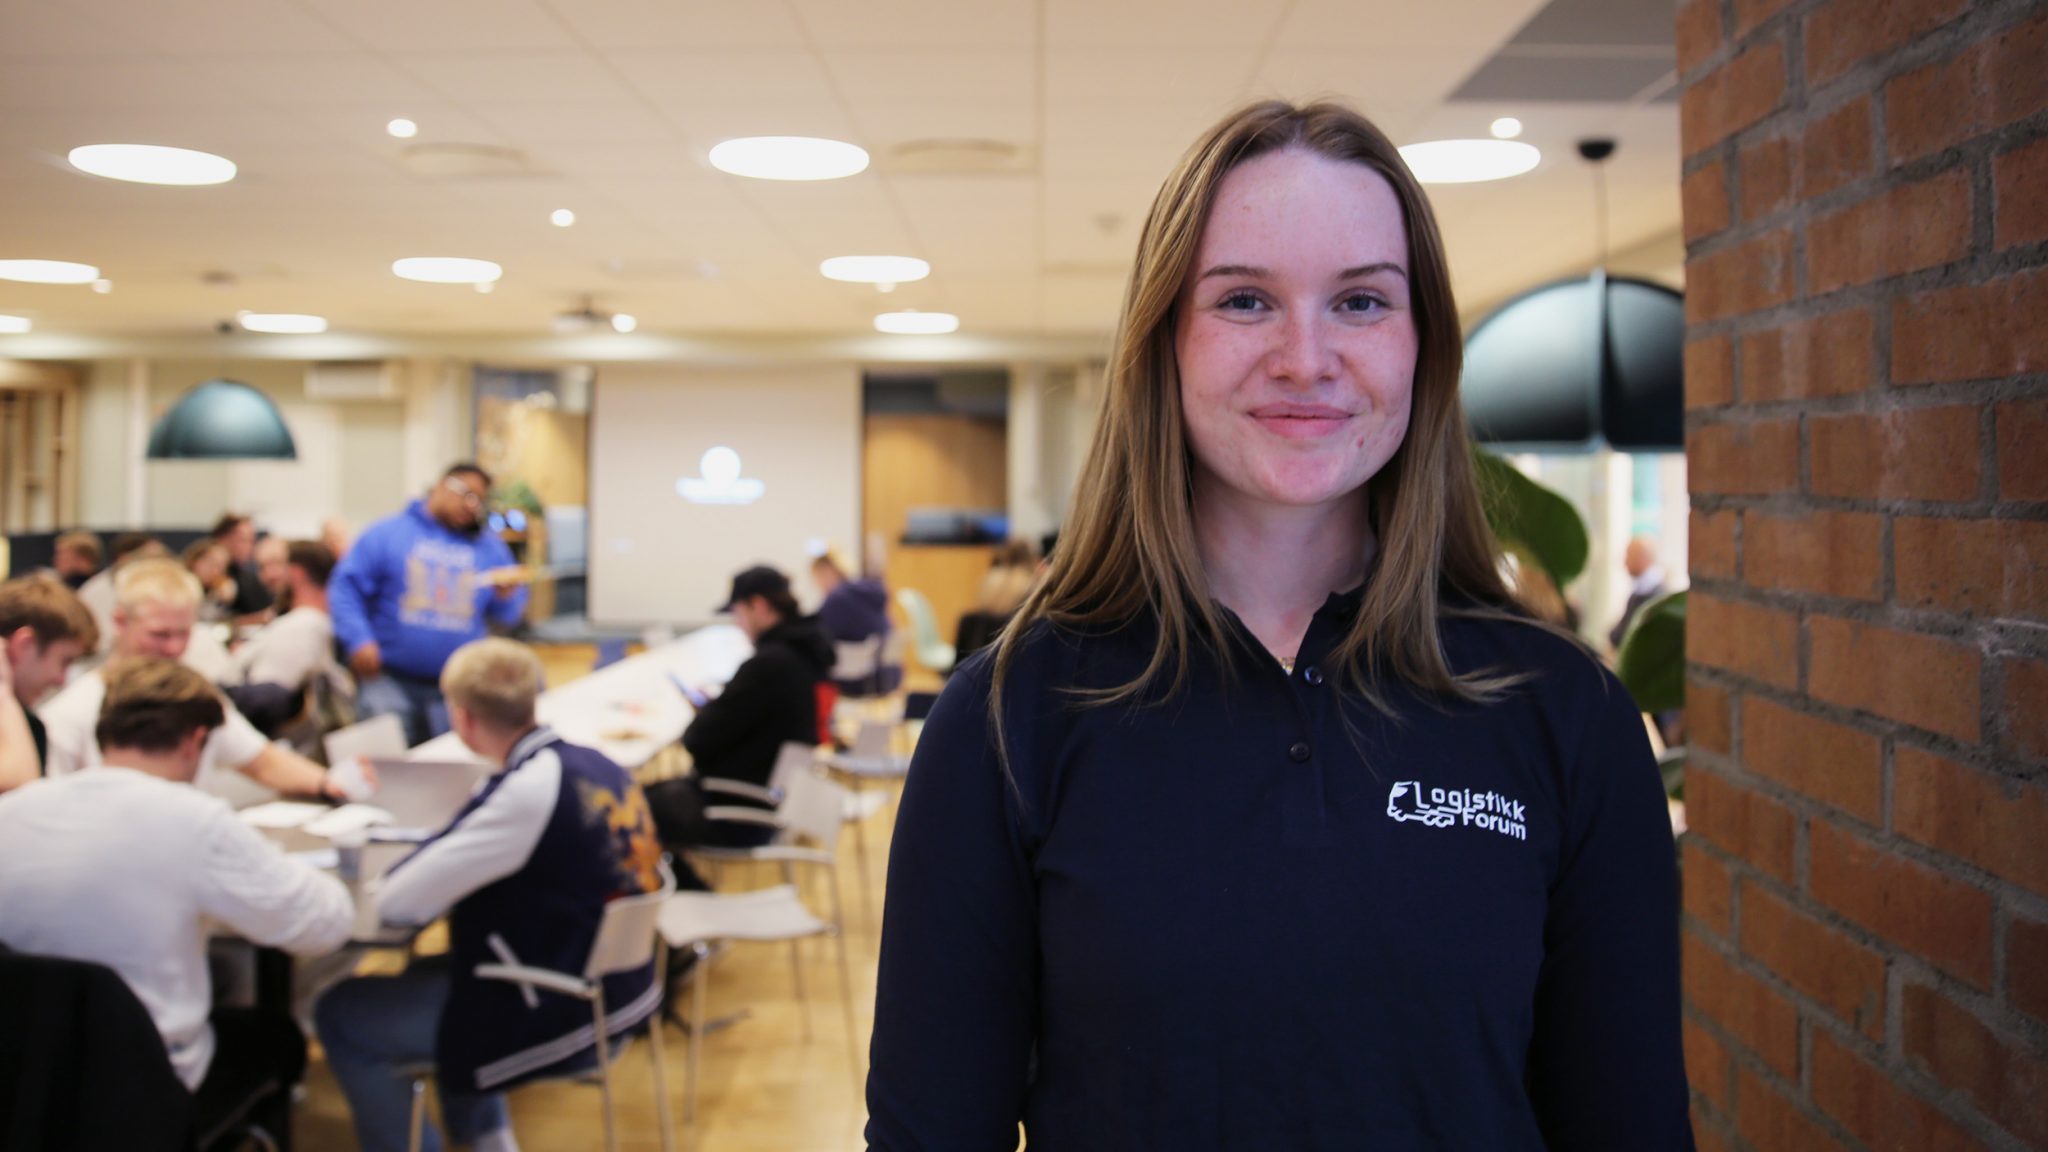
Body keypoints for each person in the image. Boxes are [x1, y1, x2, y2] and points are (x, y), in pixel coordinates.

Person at [865, 101, 1691, 1150]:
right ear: (1164, 341)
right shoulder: (1007, 716)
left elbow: (1629, 1128)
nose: (1306, 358)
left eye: (1360, 301)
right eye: (1245, 300)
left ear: (1421, 347)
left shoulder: (1564, 712)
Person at [316, 638, 663, 1152]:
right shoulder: (594, 762)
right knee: (443, 966)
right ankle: (486, 1139)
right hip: (614, 986)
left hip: (560, 1005)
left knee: (341, 1012)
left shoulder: (527, 790)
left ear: (461, 716)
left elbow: (398, 903)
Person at [0, 659, 353, 1136]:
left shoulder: (13, 810)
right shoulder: (195, 821)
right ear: (195, 742)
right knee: (277, 1035)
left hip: (23, 1077)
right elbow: (324, 924)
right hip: (146, 1087)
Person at [38, 558, 351, 800]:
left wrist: (331, 783)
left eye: (184, 634)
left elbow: (263, 761)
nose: (174, 648)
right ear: (121, 621)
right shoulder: (72, 712)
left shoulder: (194, 696)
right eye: (160, 635)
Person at [329, 463, 528, 746]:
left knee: (451, 764)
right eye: (468, 495)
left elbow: (508, 616)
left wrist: (506, 597)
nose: (472, 507)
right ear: (442, 486)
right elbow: (345, 589)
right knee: (387, 764)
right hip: (389, 680)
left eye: (480, 501)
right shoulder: (388, 533)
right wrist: (358, 639)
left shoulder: (489, 548)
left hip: (457, 689)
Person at [650, 566, 833, 860]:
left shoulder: (770, 665)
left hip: (736, 811)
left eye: (737, 613)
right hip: (771, 798)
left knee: (632, 808)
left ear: (758, 606)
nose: (737, 624)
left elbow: (697, 740)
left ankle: (684, 884)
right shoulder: (806, 655)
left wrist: (712, 711)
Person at [225, 541, 338, 735]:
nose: (265, 576)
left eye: (275, 564)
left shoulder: (302, 625)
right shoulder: (308, 621)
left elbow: (264, 702)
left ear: (296, 572)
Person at [0, 575, 98, 792]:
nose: (60, 680)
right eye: (64, 661)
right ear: (24, 645)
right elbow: (19, 788)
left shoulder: (25, 722)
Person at [811, 545, 898, 696]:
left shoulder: (837, 599)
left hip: (857, 680)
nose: (817, 583)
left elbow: (817, 635)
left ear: (828, 571)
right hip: (888, 675)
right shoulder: (869, 592)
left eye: (816, 577)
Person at [77, 531, 165, 654]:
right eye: (149, 558)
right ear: (124, 558)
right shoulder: (97, 591)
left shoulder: (156, 589)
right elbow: (100, 643)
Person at [1608, 536, 1668, 651]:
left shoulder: (1655, 596)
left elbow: (1623, 636)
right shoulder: (1641, 592)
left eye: (1628, 556)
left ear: (1642, 558)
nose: (1625, 562)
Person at [211, 513, 275, 618]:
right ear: (223, 539)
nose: (250, 547)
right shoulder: (207, 576)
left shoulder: (249, 578)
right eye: (244, 540)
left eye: (252, 541)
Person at [182, 537, 239, 623]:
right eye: (211, 562)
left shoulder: (219, 587)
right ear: (194, 560)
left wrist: (224, 602)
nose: (215, 570)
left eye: (221, 566)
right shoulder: (181, 583)